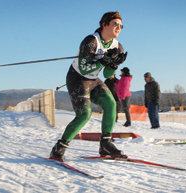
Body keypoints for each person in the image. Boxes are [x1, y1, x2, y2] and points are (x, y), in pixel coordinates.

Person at [50, 11, 128, 161]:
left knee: (111, 104)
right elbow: (85, 68)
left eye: (121, 25)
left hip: (94, 80)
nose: (119, 28)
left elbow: (106, 75)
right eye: (115, 24)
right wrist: (104, 61)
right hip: (77, 78)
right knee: (84, 115)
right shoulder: (91, 41)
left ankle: (105, 143)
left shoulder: (118, 46)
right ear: (104, 25)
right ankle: (59, 147)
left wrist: (115, 64)